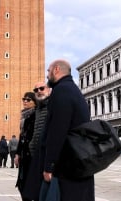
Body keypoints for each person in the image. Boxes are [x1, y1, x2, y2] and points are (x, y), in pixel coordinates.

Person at [40, 59, 94, 201]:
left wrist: (49, 166)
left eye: (48, 71)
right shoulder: (74, 90)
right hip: (79, 163)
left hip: (67, 167)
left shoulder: (61, 91)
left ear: (56, 69)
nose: (47, 75)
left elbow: (57, 131)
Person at [14, 92, 37, 201]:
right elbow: (22, 136)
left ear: (35, 102)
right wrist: (17, 154)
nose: (25, 101)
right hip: (23, 156)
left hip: (31, 156)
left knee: (28, 185)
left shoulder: (36, 115)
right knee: (22, 184)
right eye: (24, 99)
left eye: (28, 100)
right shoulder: (24, 116)